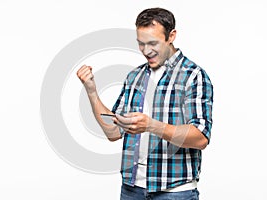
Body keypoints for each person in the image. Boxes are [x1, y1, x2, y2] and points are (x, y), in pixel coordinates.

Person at [77, 7, 213, 200]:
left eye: (153, 43)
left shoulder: (193, 76)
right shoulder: (135, 76)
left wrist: (151, 126)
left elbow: (200, 138)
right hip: (132, 189)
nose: (146, 51)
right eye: (141, 44)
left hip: (174, 192)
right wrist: (91, 91)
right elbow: (113, 132)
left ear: (171, 36)